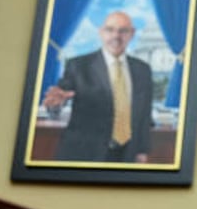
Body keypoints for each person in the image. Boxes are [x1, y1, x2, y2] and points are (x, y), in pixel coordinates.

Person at [42, 10, 153, 163]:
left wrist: (142, 151)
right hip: (84, 154)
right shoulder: (78, 66)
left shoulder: (143, 69)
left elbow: (144, 115)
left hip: (127, 156)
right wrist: (55, 104)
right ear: (101, 32)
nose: (116, 36)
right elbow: (60, 99)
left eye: (123, 31)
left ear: (132, 34)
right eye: (110, 30)